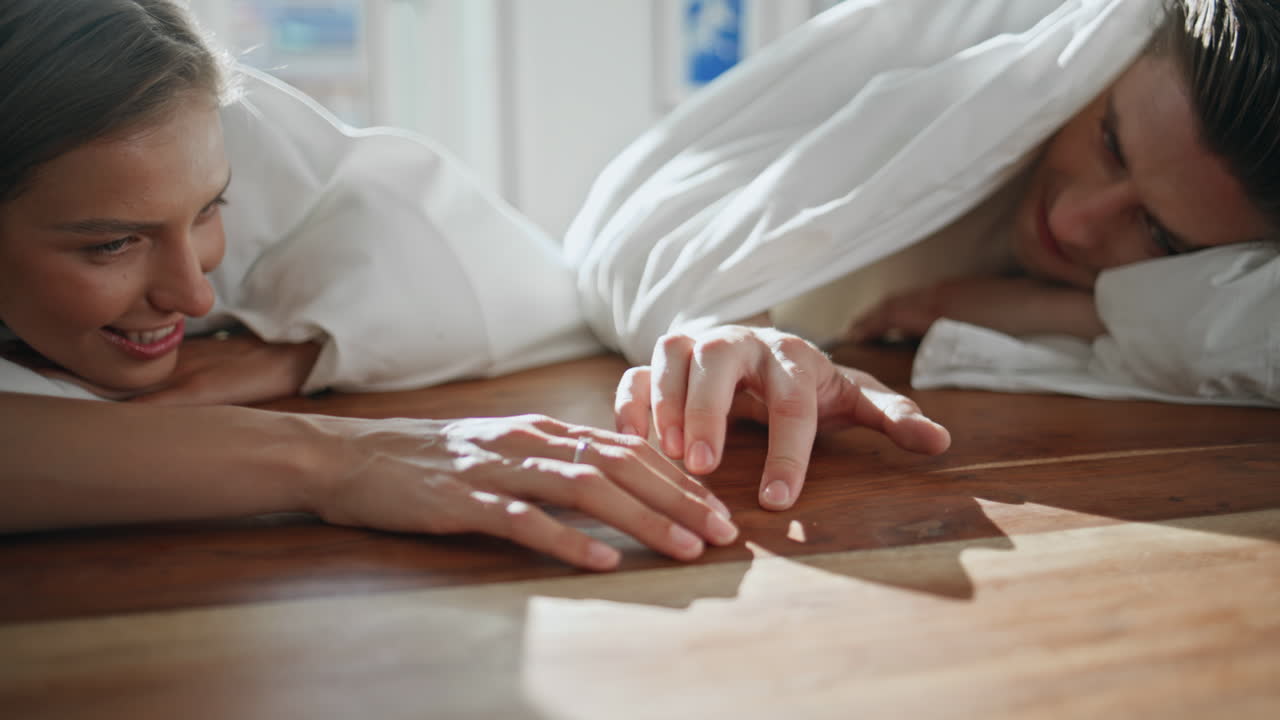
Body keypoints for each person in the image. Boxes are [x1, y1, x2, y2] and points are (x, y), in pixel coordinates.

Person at [0, 0, 907, 571]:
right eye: (111, 244)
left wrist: (297, 352)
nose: (197, 296)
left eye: (209, 210)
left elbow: (522, 285)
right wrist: (336, 459)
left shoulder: (199, 114)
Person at [566, 0, 1280, 511]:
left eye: (1160, 237)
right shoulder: (993, 37)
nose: (1073, 219)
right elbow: (632, 231)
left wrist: (1065, 312)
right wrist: (736, 323)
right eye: (1109, 143)